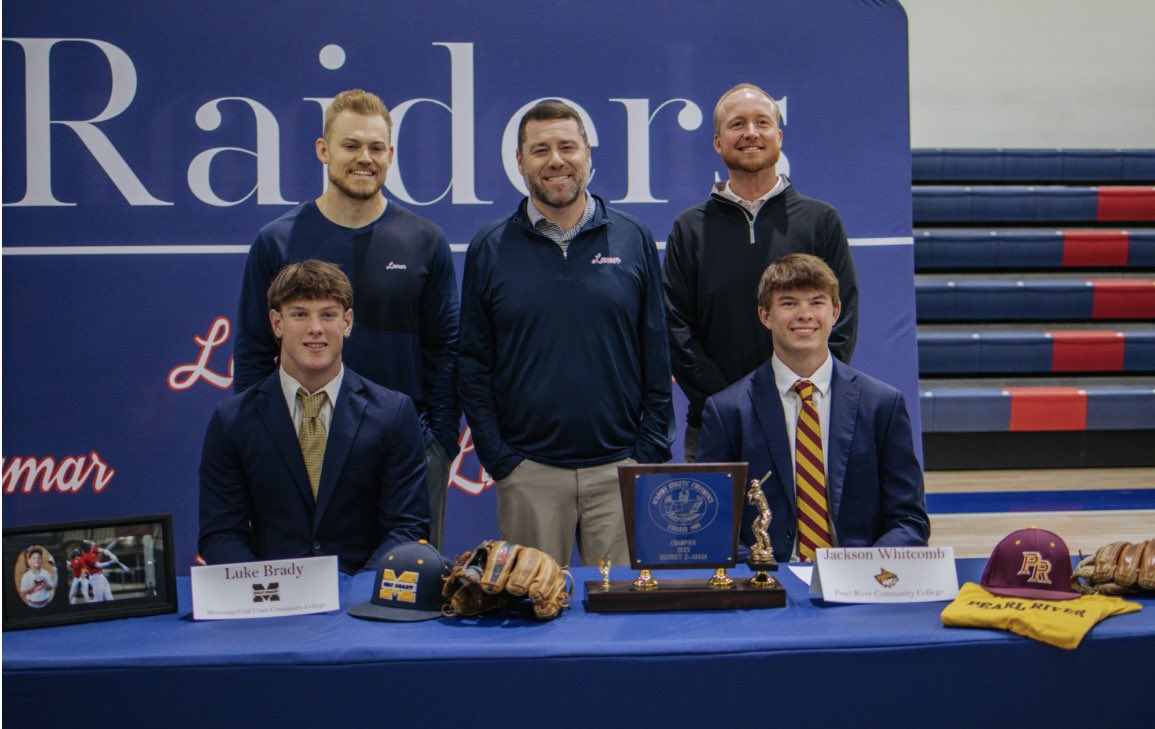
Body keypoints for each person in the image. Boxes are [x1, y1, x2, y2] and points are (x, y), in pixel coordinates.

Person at [232, 89, 459, 549]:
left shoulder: (425, 241)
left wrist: (439, 446)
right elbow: (255, 351)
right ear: (323, 150)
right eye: (351, 145)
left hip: (407, 454)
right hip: (300, 452)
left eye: (376, 148)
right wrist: (260, 444)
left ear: (390, 155)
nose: (364, 158)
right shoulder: (276, 242)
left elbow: (448, 352)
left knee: (406, 593)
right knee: (304, 601)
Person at [458, 101, 674, 567]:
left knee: (620, 624)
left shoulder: (633, 237)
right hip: (529, 474)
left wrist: (645, 456)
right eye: (540, 150)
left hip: (620, 471)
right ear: (520, 162)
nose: (555, 160)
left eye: (567, 146)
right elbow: (473, 364)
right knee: (531, 622)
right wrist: (501, 460)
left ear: (588, 154)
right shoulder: (490, 247)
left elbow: (656, 354)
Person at [663, 83, 859, 461]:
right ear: (718, 142)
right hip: (717, 425)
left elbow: (842, 317)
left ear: (779, 137)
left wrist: (800, 391)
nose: (750, 133)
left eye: (762, 123)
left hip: (807, 421)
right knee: (724, 524)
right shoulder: (689, 229)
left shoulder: (822, 222)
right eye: (737, 124)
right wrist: (732, 402)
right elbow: (675, 329)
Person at [200, 260, 430, 574]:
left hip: (361, 607)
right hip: (270, 605)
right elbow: (220, 533)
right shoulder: (232, 421)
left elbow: (406, 528)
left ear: (347, 322)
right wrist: (265, 589)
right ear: (276, 323)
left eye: (328, 314)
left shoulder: (394, 413)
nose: (315, 328)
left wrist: (356, 592)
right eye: (299, 314)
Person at [698, 254, 927, 562]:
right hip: (770, 585)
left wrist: (867, 571)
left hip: (860, 582)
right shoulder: (727, 412)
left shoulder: (882, 405)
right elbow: (714, 525)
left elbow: (909, 520)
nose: (804, 314)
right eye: (789, 303)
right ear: (765, 315)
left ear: (835, 312)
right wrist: (764, 575)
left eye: (817, 302)